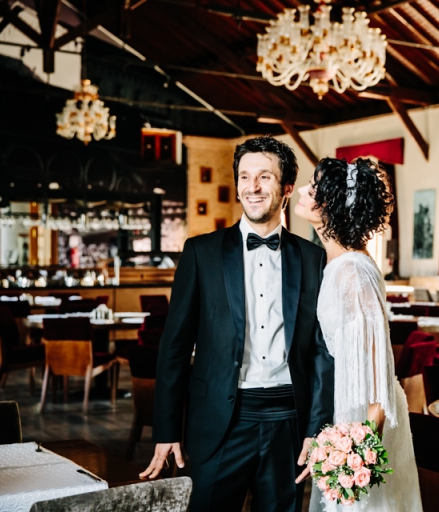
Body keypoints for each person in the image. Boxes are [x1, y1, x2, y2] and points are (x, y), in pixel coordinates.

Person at [141, 136, 335, 512]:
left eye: (264, 177)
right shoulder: (201, 252)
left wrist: (317, 427)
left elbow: (321, 352)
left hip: (288, 423)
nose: (253, 187)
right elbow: (174, 346)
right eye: (245, 177)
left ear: (287, 188)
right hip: (218, 422)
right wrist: (165, 430)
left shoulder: (313, 258)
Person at [294, 157, 423, 511]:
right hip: (347, 413)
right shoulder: (337, 264)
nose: (304, 191)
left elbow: (379, 382)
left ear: (333, 207)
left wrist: (359, 454)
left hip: (365, 422)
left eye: (315, 189)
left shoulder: (352, 273)